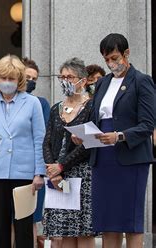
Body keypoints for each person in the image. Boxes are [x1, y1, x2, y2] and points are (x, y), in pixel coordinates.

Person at [73, 33, 155, 247]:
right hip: (103, 156)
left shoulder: (142, 81)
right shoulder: (102, 84)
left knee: (130, 221)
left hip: (130, 156)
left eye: (115, 58)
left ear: (126, 53)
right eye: (106, 59)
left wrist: (119, 136)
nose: (111, 64)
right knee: (108, 220)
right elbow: (95, 119)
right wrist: (82, 135)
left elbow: (147, 124)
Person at [0, 54, 45, 248]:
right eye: (3, 78)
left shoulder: (32, 103)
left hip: (24, 173)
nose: (6, 82)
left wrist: (39, 172)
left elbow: (39, 139)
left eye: (11, 78)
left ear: (19, 80)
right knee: (0, 227)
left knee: (23, 229)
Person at [42, 58, 95, 248]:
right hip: (58, 177)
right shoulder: (56, 108)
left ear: (83, 80)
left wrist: (62, 166)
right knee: (64, 233)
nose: (65, 81)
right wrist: (52, 170)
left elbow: (89, 144)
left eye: (70, 77)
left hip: (82, 175)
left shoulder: (91, 106)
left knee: (83, 232)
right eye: (62, 77)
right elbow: (47, 142)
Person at [22, 57, 50, 248]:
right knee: (9, 219)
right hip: (9, 168)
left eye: (34, 79)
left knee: (31, 219)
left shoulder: (40, 103)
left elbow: (44, 137)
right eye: (27, 76)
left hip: (34, 169)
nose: (31, 81)